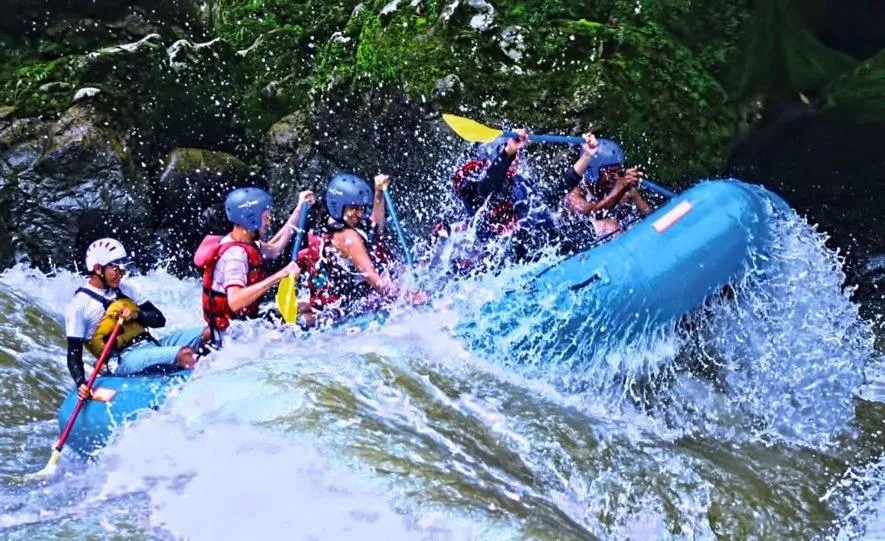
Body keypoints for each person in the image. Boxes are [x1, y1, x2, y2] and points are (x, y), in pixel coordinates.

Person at [65, 238, 208, 400]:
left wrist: (136, 315)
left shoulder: (125, 289)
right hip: (122, 359)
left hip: (150, 344)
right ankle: (205, 393)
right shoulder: (79, 305)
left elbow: (159, 320)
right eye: (116, 267)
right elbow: (73, 354)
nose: (122, 272)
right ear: (98, 269)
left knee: (209, 333)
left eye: (123, 266)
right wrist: (80, 382)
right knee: (185, 354)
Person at [297, 173, 421, 323]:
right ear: (338, 206)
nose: (360, 213)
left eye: (361, 208)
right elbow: (374, 279)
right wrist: (409, 296)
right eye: (354, 208)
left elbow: (375, 228)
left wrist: (379, 192)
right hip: (350, 308)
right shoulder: (348, 238)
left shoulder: (333, 227)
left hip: (337, 301)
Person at [194, 187, 314, 338]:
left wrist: (300, 208)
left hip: (242, 322)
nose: (269, 222)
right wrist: (283, 274)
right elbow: (235, 301)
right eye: (266, 217)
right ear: (251, 219)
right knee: (311, 319)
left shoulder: (242, 241)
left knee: (308, 307)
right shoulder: (235, 256)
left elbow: (274, 249)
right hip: (231, 334)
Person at [562, 134, 653, 237]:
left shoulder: (616, 186)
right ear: (592, 172)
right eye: (610, 172)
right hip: (570, 238)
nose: (615, 177)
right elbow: (591, 214)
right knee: (610, 227)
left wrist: (634, 196)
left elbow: (652, 218)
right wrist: (620, 188)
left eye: (618, 172)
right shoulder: (574, 192)